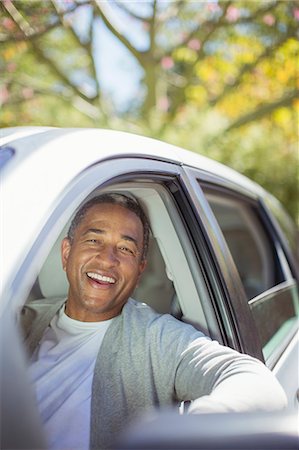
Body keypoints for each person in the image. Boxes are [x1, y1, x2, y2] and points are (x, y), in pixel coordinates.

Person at [20, 193, 287, 450]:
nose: (107, 259)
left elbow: (257, 382)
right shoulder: (19, 321)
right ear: (67, 253)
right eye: (93, 241)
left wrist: (197, 428)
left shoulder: (156, 337)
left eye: (125, 248)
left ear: (139, 270)